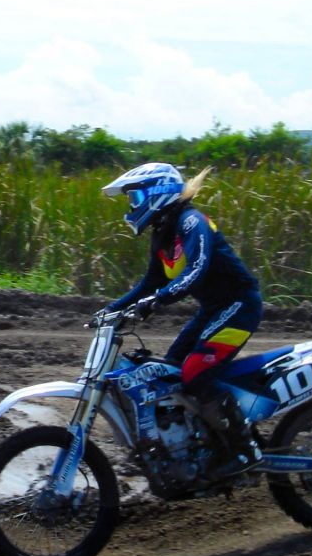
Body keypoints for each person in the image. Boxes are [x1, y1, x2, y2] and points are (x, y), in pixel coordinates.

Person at [101, 162, 263, 478]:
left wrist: (158, 300)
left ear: (157, 193)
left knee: (194, 372)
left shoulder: (191, 222)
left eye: (134, 199)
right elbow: (148, 284)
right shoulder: (162, 234)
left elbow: (196, 269)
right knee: (171, 370)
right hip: (213, 309)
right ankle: (201, 445)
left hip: (240, 305)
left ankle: (244, 450)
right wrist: (110, 309)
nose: (131, 208)